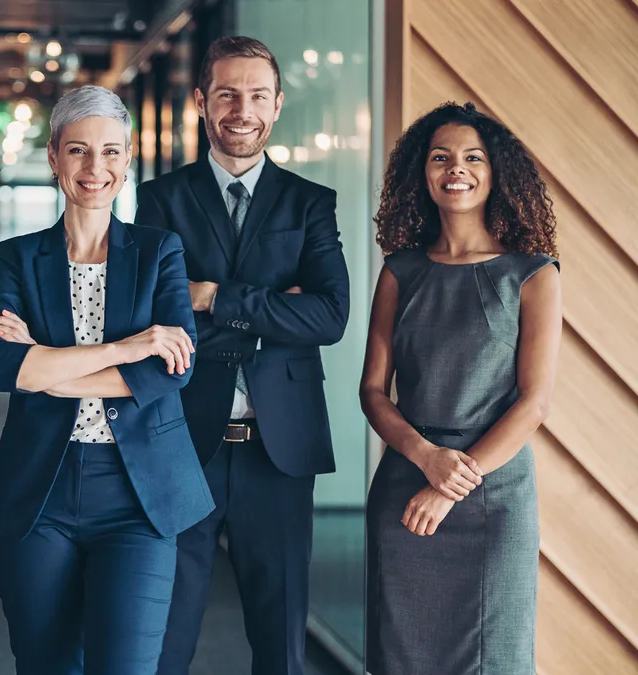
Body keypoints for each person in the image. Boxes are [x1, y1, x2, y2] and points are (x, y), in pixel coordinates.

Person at [0, 85, 214, 675]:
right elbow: (2, 367)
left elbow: (168, 374)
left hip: (139, 496)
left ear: (127, 159)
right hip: (40, 492)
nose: (95, 167)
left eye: (110, 152)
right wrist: (123, 349)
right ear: (54, 156)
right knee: (46, 665)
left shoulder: (161, 252)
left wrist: (47, 365)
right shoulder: (17, 257)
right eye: (78, 150)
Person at [135, 36, 351, 675]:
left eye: (257, 94)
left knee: (280, 641)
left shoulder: (310, 202)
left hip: (277, 451)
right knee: (166, 635)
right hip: (182, 443)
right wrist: (271, 310)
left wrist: (215, 297)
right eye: (227, 93)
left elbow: (330, 317)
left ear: (278, 105)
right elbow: (157, 317)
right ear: (202, 101)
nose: (242, 108)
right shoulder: (161, 199)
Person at [361, 102, 560, 675]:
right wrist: (425, 458)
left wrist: (450, 486)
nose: (457, 168)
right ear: (421, 174)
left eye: (473, 157)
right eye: (441, 157)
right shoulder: (400, 270)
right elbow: (373, 391)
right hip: (406, 485)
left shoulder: (533, 273)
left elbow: (534, 404)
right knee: (401, 657)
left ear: (496, 173)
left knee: (492, 659)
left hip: (492, 496)